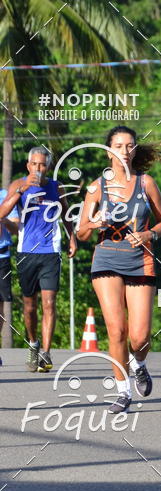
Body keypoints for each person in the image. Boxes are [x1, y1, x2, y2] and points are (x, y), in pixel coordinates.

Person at [77, 126, 161, 414]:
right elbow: (80, 233)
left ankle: (139, 363)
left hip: (140, 259)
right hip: (106, 260)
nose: (125, 151)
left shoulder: (146, 183)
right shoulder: (96, 187)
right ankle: (122, 390)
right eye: (119, 146)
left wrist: (149, 234)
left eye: (130, 146)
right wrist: (94, 223)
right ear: (108, 151)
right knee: (116, 330)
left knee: (140, 337)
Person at [0, 147, 77, 372]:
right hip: (26, 252)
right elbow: (2, 214)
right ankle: (33, 344)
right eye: (34, 164)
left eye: (42, 164)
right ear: (28, 166)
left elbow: (65, 213)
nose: (38, 168)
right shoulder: (17, 185)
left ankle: (46, 352)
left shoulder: (56, 187)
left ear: (48, 167)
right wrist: (21, 191)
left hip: (51, 251)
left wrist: (72, 237)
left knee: (49, 302)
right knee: (29, 306)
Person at [0, 185, 19, 365]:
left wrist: (3, 219)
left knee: (0, 307)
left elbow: (16, 228)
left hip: (2, 256)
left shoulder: (5, 196)